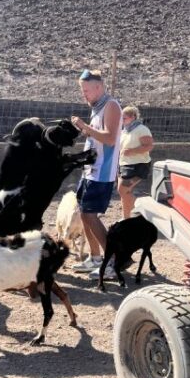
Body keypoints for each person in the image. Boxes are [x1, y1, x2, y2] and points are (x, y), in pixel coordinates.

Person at [70, 69, 122, 279]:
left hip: (102, 172)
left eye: (86, 90)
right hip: (90, 171)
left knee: (91, 215)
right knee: (84, 214)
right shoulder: (97, 107)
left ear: (99, 87)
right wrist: (84, 130)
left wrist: (84, 126)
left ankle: (112, 263)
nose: (84, 94)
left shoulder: (111, 106)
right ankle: (96, 257)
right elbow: (97, 138)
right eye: (82, 90)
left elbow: (109, 138)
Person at [118, 106, 154, 219]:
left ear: (133, 117)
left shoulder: (142, 129)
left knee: (122, 190)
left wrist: (132, 151)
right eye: (121, 118)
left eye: (124, 118)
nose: (122, 120)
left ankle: (143, 211)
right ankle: (126, 219)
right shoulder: (124, 131)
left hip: (138, 165)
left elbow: (149, 146)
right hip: (124, 165)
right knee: (124, 193)